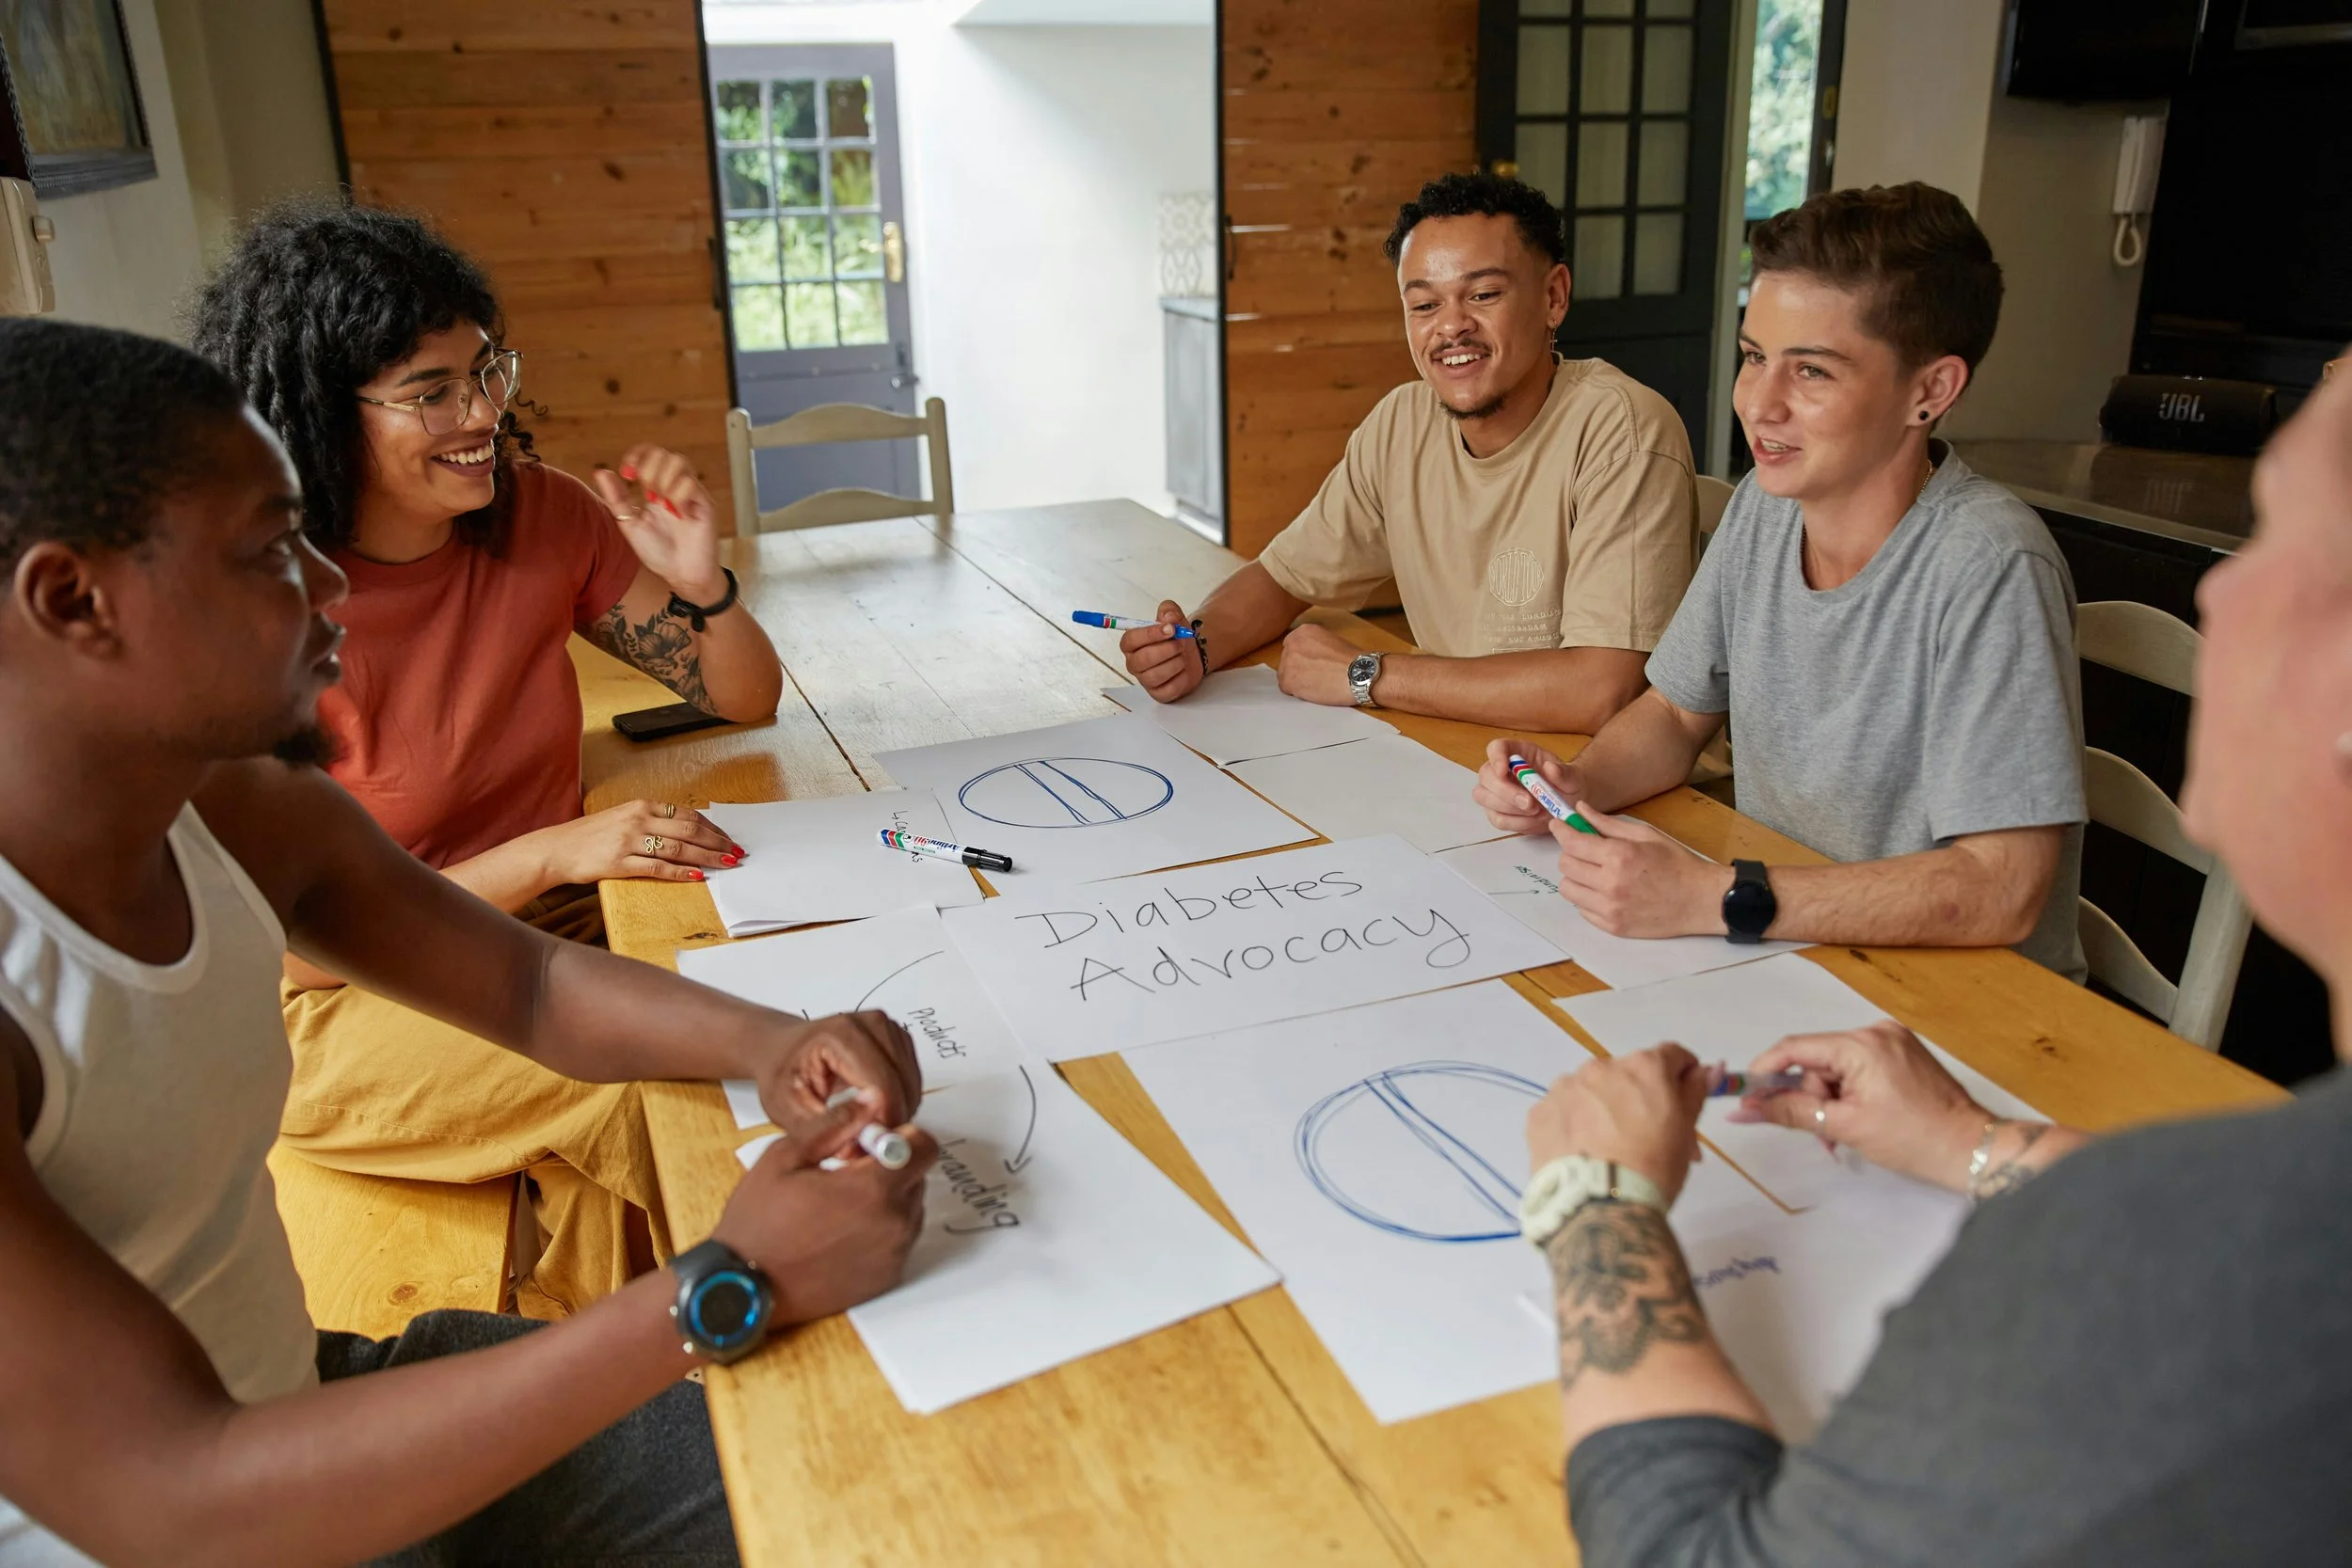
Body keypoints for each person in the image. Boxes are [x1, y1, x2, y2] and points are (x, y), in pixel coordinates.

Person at [0, 319, 936, 1566]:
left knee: (864, 1463)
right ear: (74, 599)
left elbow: (532, 980)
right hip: (218, 1509)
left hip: (295, 1404)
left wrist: (780, 1040)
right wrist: (724, 1280)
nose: (329, 586)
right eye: (273, 551)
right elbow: (177, 1496)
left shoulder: (233, 808)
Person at [1518, 339, 2352, 1564]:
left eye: (2279, 543)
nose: (2219, 594)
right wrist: (1975, 1142)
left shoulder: (2165, 1278)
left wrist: (1593, 1202)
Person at [191, 203, 786, 1313]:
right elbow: (293, 956)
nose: (482, 414)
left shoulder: (542, 514)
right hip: (349, 1001)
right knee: (655, 1094)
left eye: (487, 371)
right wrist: (554, 851)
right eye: (432, 391)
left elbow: (743, 695)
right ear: (323, 412)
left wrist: (702, 582)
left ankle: (646, 1362)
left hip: (546, 930)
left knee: (753, 987)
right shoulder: (264, 606)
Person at [1477, 182, 2086, 978]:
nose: (1758, 405)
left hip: (1966, 1002)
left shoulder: (1991, 566)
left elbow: (2001, 889)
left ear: (1930, 391)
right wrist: (1575, 787)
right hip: (1800, 955)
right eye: (1756, 356)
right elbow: (1671, 713)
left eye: (1813, 373)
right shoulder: (1767, 509)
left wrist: (1719, 897)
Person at [1120, 172, 1698, 733]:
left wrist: (1367, 675)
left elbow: (1601, 691)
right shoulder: (1402, 422)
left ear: (1554, 297)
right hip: (1470, 752)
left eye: (1484, 294)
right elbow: (1284, 577)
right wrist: (1195, 645)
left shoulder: (1621, 429)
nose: (1451, 328)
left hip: (1619, 792)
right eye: (1423, 306)